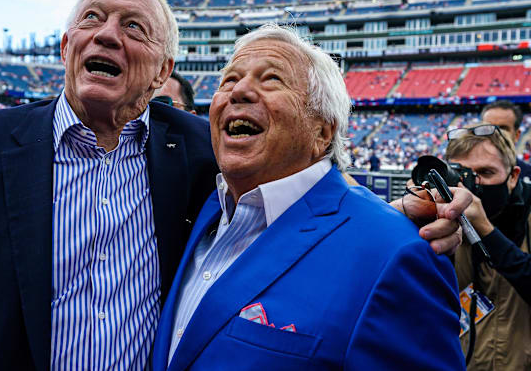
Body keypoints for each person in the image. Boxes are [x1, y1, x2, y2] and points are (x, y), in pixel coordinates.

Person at [0, 0, 467, 371]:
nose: (107, 34)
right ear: (65, 46)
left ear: (164, 72)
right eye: (93, 19)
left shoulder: (199, 152)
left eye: (134, 28)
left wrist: (391, 224)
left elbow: (302, 189)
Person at [153, 24, 465, 370]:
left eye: (271, 79)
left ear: (322, 131)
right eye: (229, 80)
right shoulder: (197, 209)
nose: (238, 91)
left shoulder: (396, 254)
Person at [444, 123, 531, 369]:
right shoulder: (446, 224)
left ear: (513, 177)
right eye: (462, 174)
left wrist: (485, 229)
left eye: (485, 172)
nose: (473, 185)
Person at [481, 100, 531, 184]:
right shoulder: (467, 172)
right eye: (488, 127)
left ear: (517, 135)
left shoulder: (528, 174)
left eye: (503, 128)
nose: (495, 133)